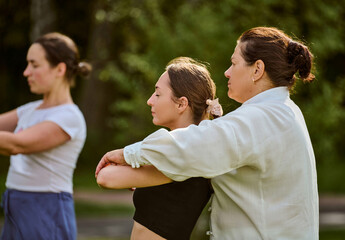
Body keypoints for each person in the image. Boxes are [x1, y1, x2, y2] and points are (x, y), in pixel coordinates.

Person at [96, 26, 319, 239]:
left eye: (234, 63)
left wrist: (129, 154)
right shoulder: (283, 112)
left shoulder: (262, 118)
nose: (227, 72)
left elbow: (195, 144)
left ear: (257, 70)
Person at [96, 57, 223, 240]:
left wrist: (127, 159)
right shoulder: (173, 154)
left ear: (181, 104)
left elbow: (106, 177)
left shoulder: (185, 159)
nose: (150, 101)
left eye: (157, 94)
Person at [0, 32, 91, 240]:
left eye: (34, 65)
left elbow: (16, 144)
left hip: (47, 211)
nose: (26, 72)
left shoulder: (69, 117)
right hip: (17, 206)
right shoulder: (29, 110)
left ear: (60, 69)